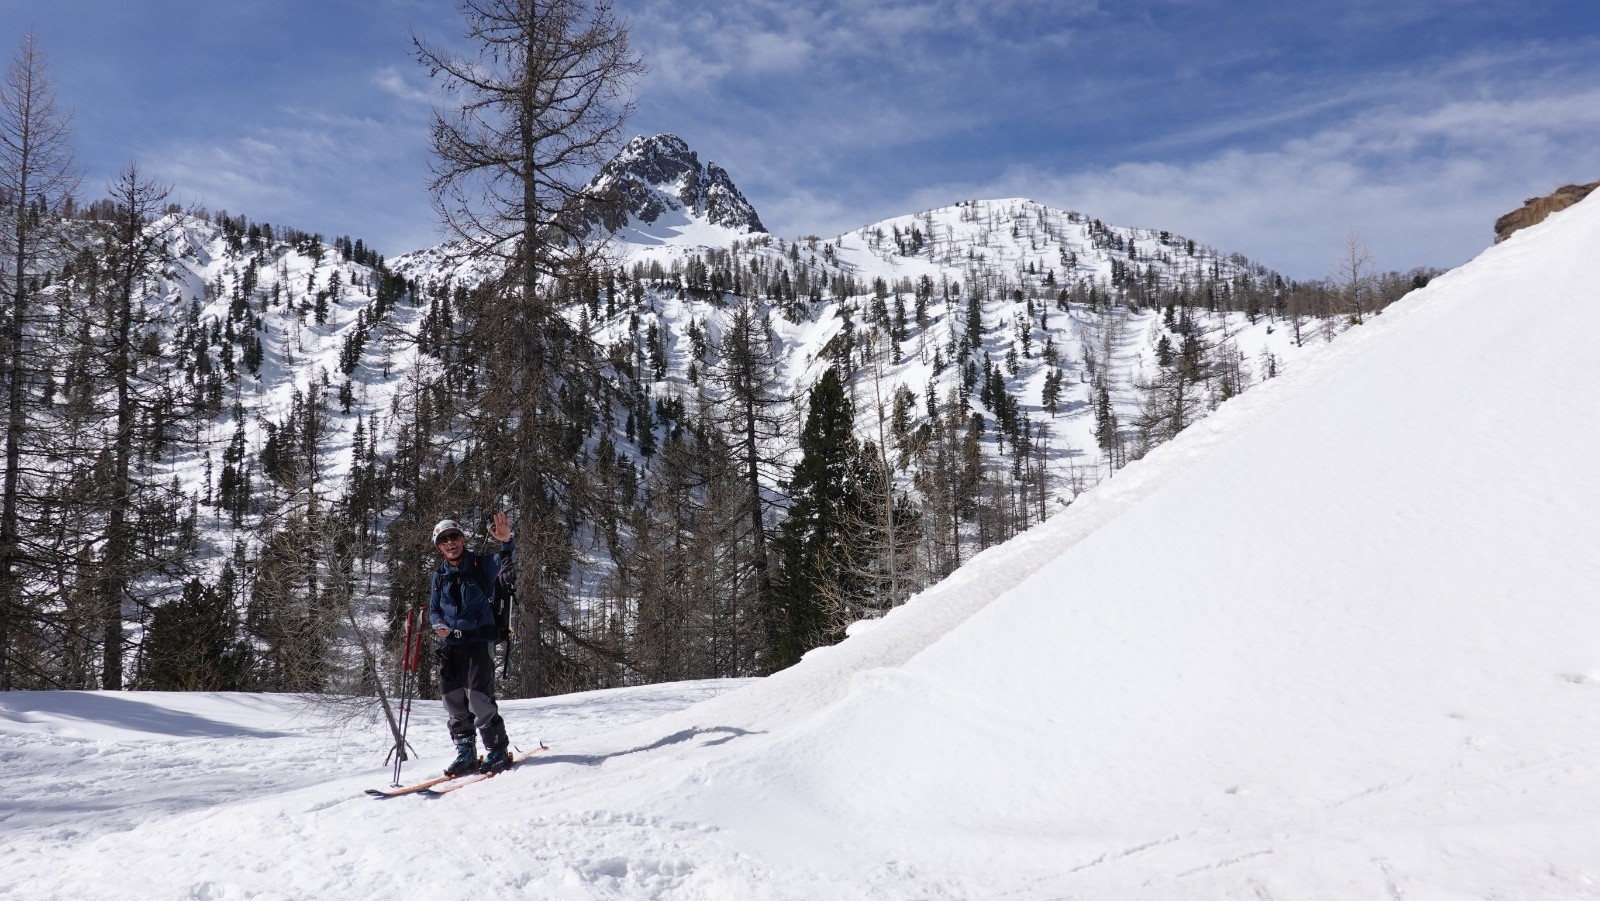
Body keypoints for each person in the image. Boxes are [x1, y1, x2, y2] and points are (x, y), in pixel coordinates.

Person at [429, 512, 515, 775]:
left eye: (454, 536)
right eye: (444, 540)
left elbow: (507, 561)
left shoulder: (480, 565)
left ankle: (497, 748)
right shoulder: (439, 575)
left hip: (478, 641)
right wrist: (438, 625)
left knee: (478, 699)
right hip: (451, 646)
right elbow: (434, 609)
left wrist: (507, 541)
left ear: (463, 539)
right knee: (452, 700)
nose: (450, 542)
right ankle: (465, 752)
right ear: (439, 547)